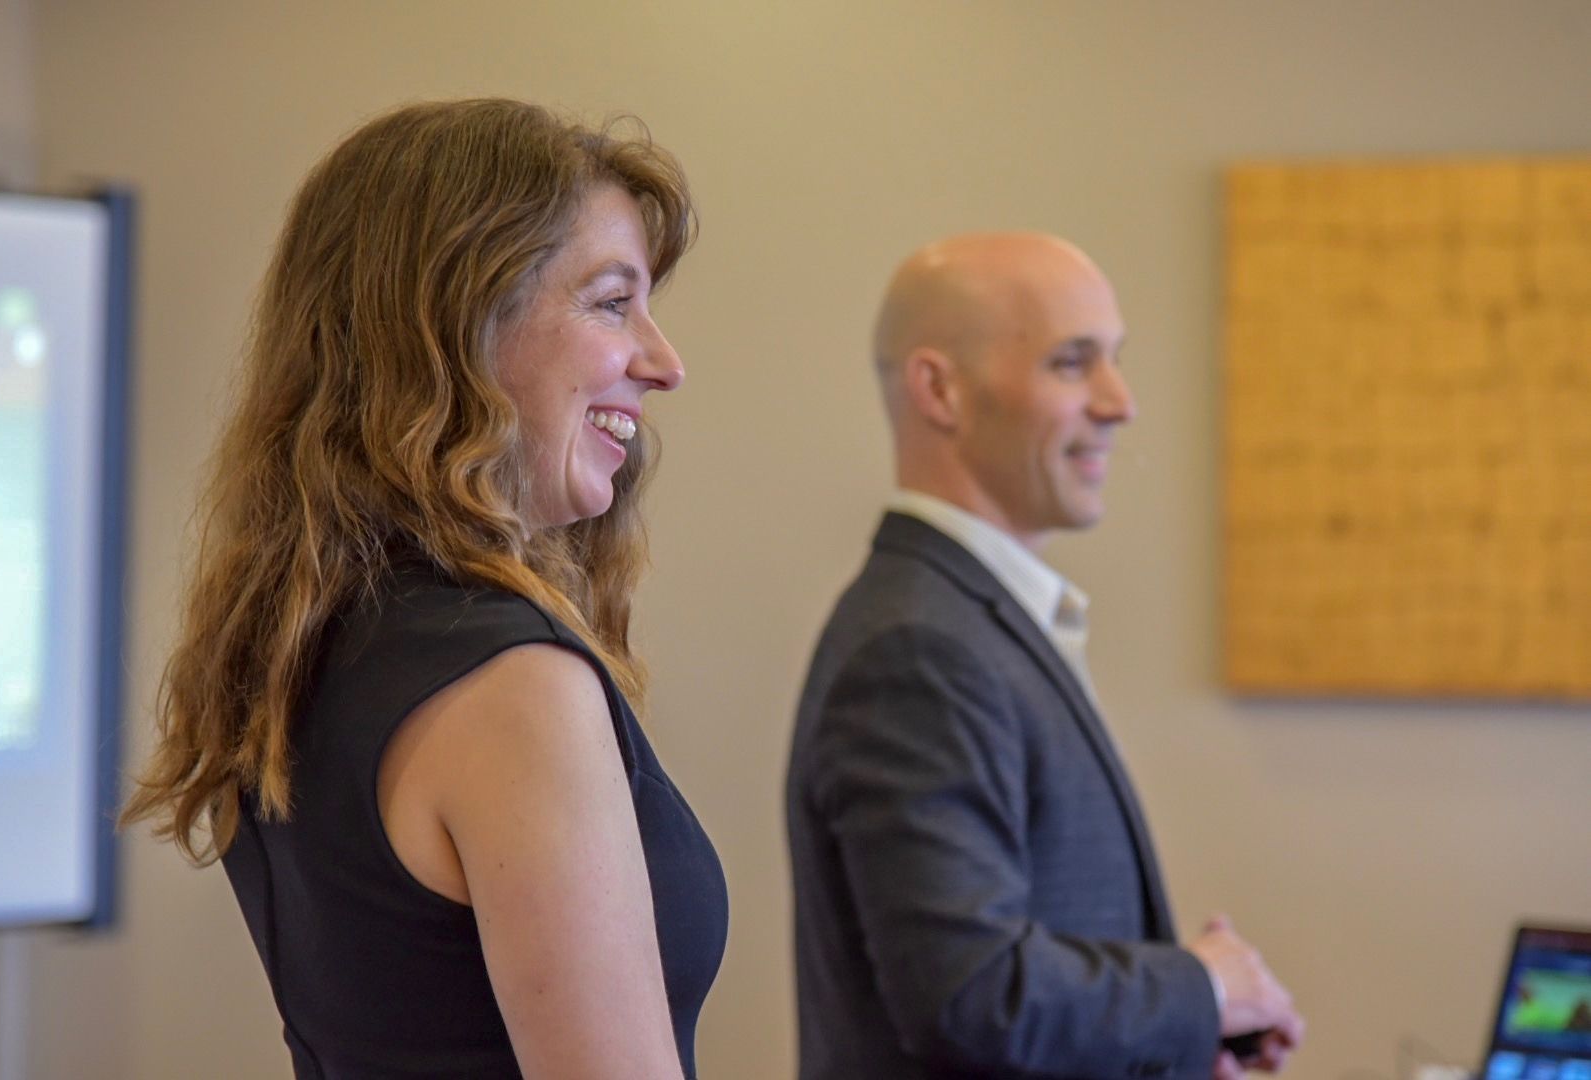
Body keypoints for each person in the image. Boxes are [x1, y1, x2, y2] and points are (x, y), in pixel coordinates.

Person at [121, 99, 726, 1079]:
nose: (664, 364)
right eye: (613, 303)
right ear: (461, 321)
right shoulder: (512, 684)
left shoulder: (311, 643)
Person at [787, 232, 1304, 1079]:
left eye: (1114, 360)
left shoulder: (966, 623)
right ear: (940, 390)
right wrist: (1203, 988)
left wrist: (1175, 1034)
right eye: (1072, 362)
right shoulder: (919, 650)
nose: (1119, 402)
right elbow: (970, 993)